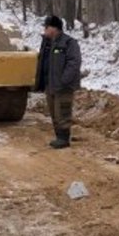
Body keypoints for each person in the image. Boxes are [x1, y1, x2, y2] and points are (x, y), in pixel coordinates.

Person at [34, 14, 81, 148]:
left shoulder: (68, 43)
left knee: (63, 112)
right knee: (54, 112)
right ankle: (58, 136)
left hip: (63, 86)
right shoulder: (47, 43)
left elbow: (74, 62)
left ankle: (64, 138)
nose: (44, 30)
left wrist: (64, 80)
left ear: (53, 28)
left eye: (46, 27)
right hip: (50, 85)